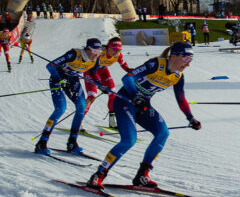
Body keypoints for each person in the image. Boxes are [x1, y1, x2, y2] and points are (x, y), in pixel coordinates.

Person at [86, 41, 201, 189]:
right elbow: (127, 78)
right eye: (186, 58)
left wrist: (191, 118)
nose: (188, 64)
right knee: (129, 140)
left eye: (190, 60)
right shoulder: (155, 64)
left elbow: (181, 99)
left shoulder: (178, 76)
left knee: (163, 133)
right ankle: (98, 175)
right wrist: (135, 96)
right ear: (173, 56)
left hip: (143, 105)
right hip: (125, 101)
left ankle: (142, 175)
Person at [34, 38, 105, 156]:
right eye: (94, 51)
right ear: (87, 49)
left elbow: (93, 73)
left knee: (81, 107)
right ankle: (42, 143)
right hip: (57, 80)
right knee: (60, 109)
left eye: (99, 52)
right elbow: (50, 66)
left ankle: (72, 143)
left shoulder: (95, 60)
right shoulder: (74, 54)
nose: (97, 54)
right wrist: (60, 79)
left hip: (72, 81)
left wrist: (101, 85)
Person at [84, 37, 134, 128]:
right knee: (92, 96)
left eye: (119, 50)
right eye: (114, 49)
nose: (116, 52)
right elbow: (92, 70)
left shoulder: (118, 55)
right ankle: (79, 119)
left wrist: (129, 70)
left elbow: (123, 64)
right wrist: (99, 84)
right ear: (108, 47)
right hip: (91, 72)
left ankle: (112, 122)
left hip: (103, 72)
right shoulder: (100, 52)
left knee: (112, 93)